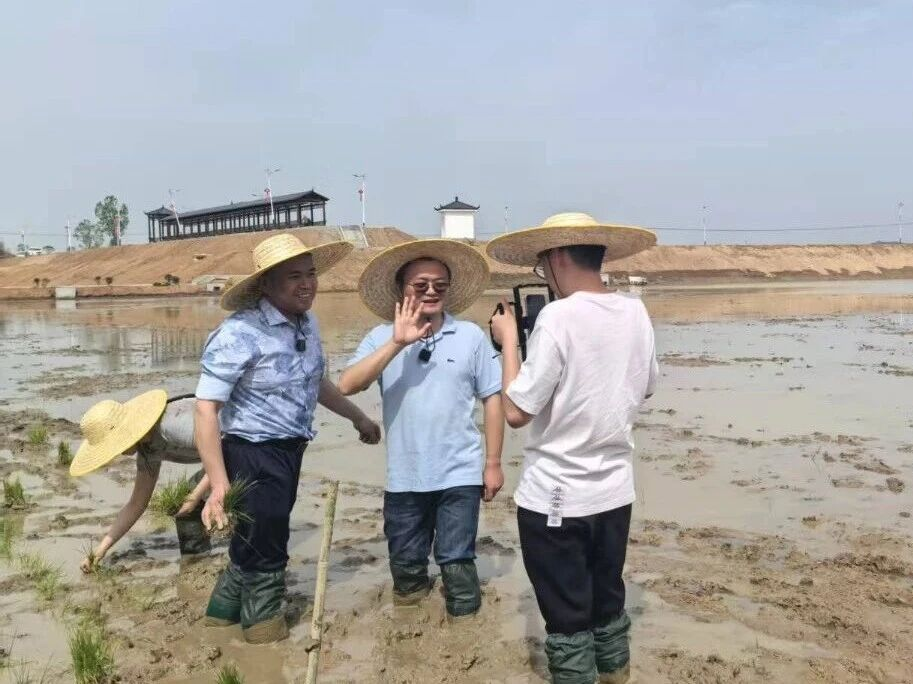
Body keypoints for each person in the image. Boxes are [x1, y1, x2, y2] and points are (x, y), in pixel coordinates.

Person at [487, 213, 658, 684]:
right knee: (607, 602)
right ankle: (616, 674)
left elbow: (518, 411)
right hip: (615, 493)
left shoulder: (557, 317)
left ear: (557, 258)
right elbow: (646, 388)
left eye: (544, 267)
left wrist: (508, 345)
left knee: (566, 618)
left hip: (557, 497)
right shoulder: (635, 311)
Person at [195, 233, 381, 644]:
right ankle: (264, 635)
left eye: (311, 274)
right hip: (251, 452)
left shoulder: (307, 323)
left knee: (253, 542)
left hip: (289, 451)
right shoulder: (240, 332)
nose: (307, 284)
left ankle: (220, 621)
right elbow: (206, 409)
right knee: (269, 548)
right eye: (294, 276)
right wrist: (219, 483)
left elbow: (315, 383)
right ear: (266, 283)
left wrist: (359, 419)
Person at [338, 239, 504, 619]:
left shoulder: (470, 337)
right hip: (404, 475)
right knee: (407, 566)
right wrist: (398, 343)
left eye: (440, 286)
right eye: (420, 285)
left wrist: (493, 462)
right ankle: (408, 622)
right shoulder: (379, 338)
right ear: (401, 290)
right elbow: (347, 385)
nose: (431, 292)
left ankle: (466, 630)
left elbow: (492, 399)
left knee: (457, 559)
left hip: (459, 471)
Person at [71, 391, 210, 573]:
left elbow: (227, 447)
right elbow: (137, 503)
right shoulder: (148, 450)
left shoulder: (171, 425)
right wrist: (100, 551)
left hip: (248, 443)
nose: (116, 453)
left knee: (194, 497)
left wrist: (196, 496)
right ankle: (198, 566)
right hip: (226, 456)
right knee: (187, 508)